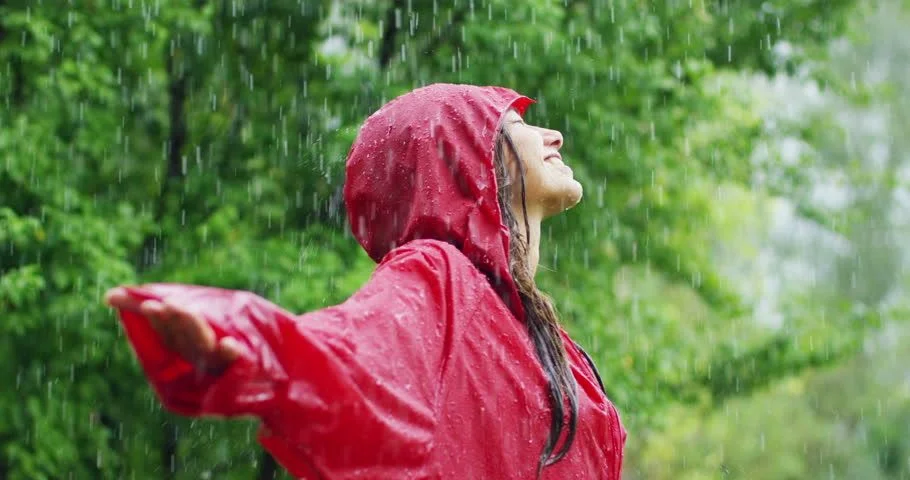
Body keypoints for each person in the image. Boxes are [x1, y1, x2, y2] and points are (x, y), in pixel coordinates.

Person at [105, 83, 626, 479]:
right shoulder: (441, 282)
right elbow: (347, 353)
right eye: (516, 125)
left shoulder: (563, 356)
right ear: (465, 156)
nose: (552, 135)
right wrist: (244, 339)